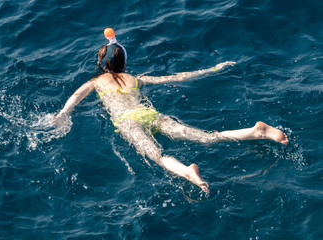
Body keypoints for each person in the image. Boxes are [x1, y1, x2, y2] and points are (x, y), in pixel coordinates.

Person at [53, 28, 288, 194]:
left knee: (157, 156)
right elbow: (176, 77)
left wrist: (63, 114)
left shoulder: (95, 82)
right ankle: (256, 131)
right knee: (207, 137)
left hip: (127, 122)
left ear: (101, 64)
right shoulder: (136, 79)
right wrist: (212, 69)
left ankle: (187, 171)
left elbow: (75, 97)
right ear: (124, 62)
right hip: (149, 115)